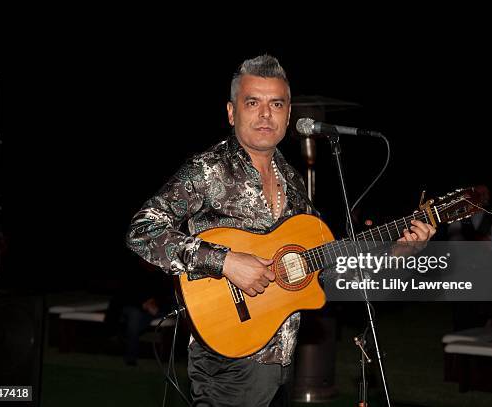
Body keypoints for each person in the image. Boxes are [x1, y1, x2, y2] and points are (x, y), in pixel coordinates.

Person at [125, 55, 436, 406]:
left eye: (276, 104)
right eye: (252, 102)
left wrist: (396, 254)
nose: (264, 114)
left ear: (288, 116)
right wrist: (226, 262)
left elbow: (327, 273)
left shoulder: (293, 182)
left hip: (283, 365)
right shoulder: (208, 170)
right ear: (231, 112)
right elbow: (143, 230)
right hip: (226, 361)